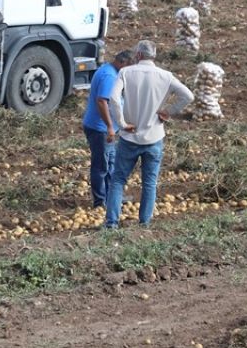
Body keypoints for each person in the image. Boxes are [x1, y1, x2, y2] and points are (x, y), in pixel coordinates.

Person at [104, 40, 194, 229]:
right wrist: (169, 111)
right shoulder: (165, 76)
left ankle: (112, 223)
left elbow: (113, 98)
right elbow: (188, 96)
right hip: (154, 137)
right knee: (149, 183)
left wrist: (121, 123)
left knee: (118, 180)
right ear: (154, 56)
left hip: (130, 136)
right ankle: (144, 223)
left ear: (137, 55)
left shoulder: (125, 72)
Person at [82, 50, 133, 209]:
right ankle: (100, 202)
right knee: (101, 166)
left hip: (102, 128)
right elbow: (102, 101)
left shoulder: (106, 69)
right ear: (123, 63)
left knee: (110, 163)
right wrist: (110, 126)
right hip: (100, 129)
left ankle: (112, 197)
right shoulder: (110, 77)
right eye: (130, 68)